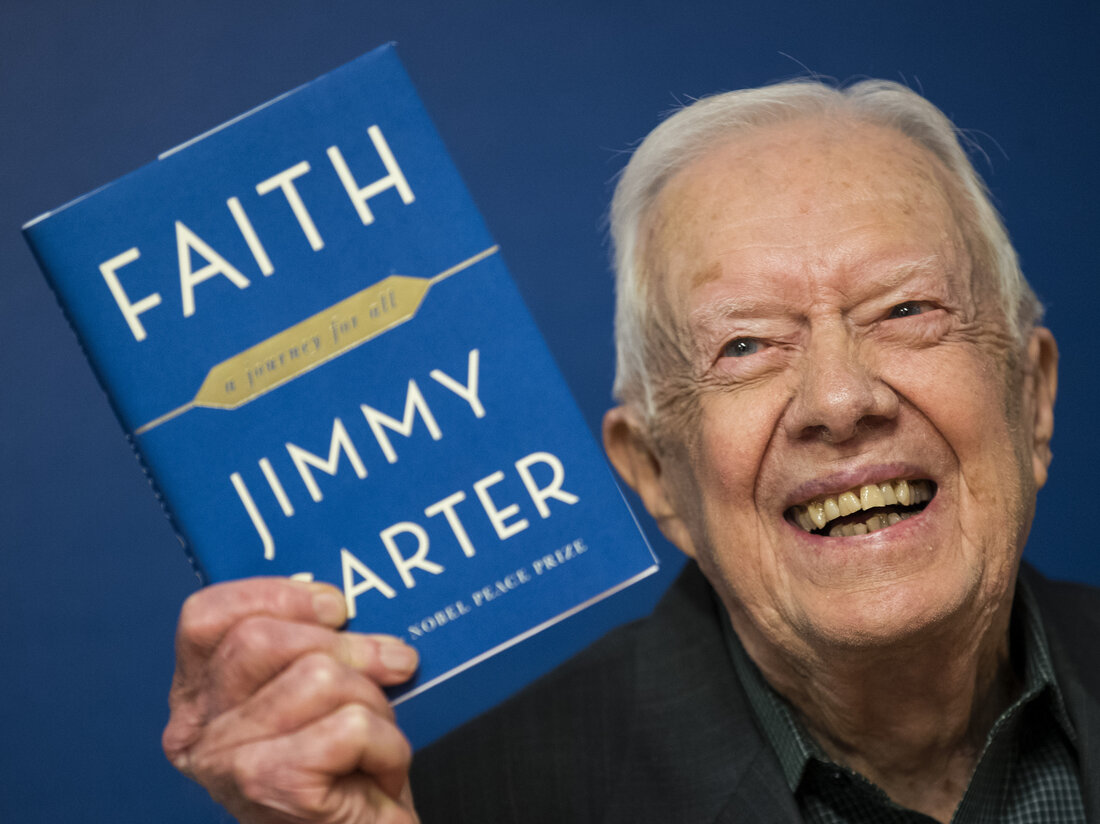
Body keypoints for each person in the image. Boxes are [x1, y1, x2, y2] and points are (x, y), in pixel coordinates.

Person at [162, 78, 1100, 822]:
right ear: (655, 475)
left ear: (1033, 396)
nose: (840, 399)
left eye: (906, 311)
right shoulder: (451, 810)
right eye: (744, 346)